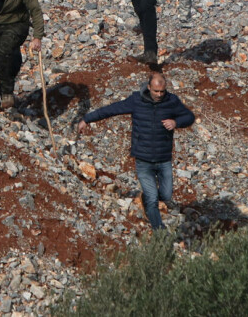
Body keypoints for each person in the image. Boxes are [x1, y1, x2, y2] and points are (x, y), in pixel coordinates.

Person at [77, 73, 194, 230]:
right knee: (153, 199)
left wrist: (176, 122)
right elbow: (112, 109)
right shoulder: (136, 101)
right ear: (149, 87)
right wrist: (87, 119)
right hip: (143, 159)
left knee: (165, 196)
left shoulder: (171, 101)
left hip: (164, 158)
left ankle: (145, 198)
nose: (159, 95)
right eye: (156, 91)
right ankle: (161, 233)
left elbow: (189, 116)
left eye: (162, 92)